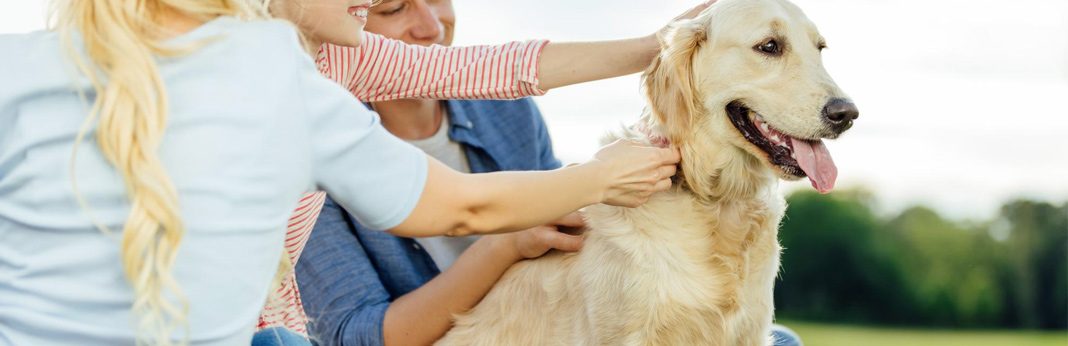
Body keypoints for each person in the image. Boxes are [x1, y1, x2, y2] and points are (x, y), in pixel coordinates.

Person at [0, 0, 695, 345]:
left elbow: (489, 68)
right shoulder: (288, 78)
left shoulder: (335, 59)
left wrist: (654, 45)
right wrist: (601, 176)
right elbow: (457, 209)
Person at [285, 1, 804, 346]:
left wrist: (664, 43)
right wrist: (519, 234)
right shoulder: (317, 103)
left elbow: (499, 67)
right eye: (393, 7)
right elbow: (358, 330)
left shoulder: (372, 64)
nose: (428, 24)